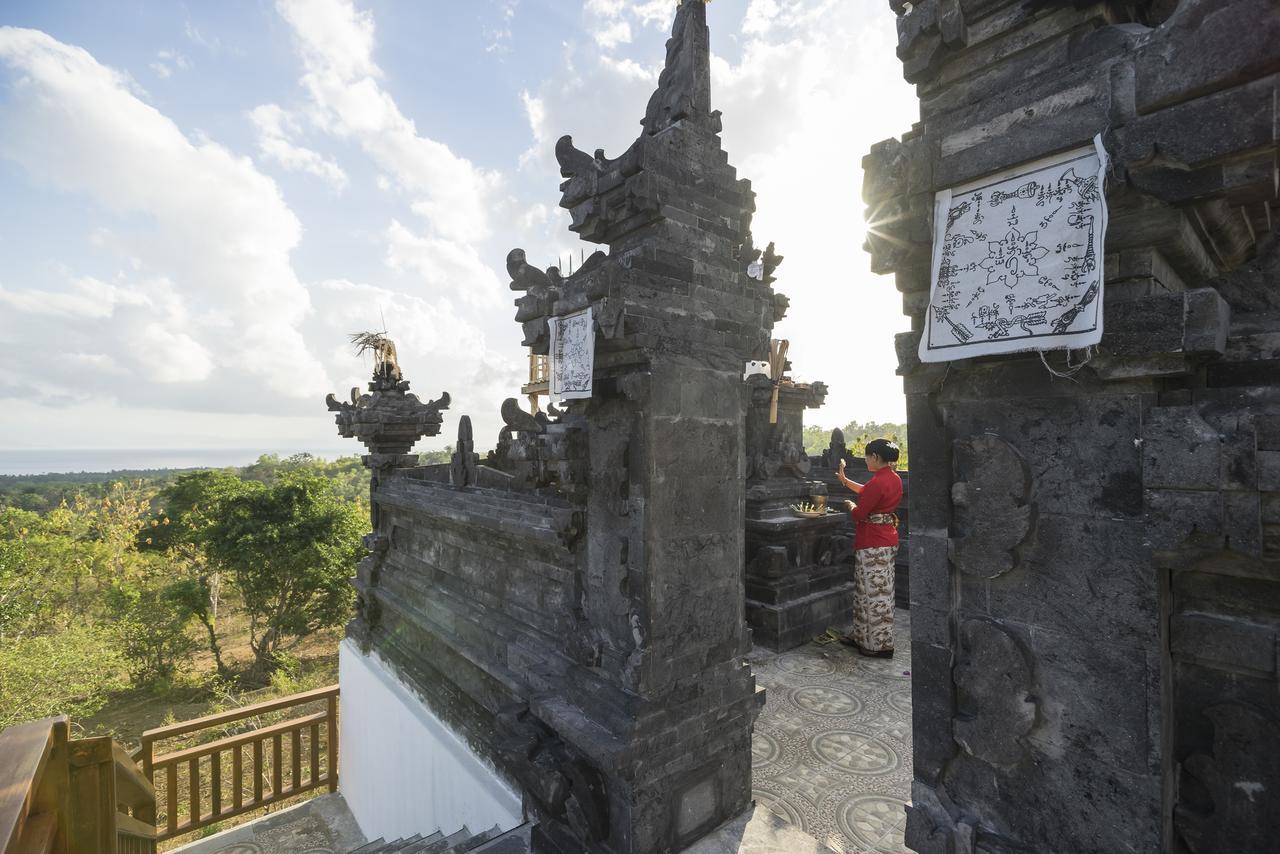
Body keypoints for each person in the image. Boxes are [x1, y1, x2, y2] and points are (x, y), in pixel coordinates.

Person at [835, 438, 903, 658]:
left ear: (875, 457)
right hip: (887, 540)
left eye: (867, 456)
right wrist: (845, 481)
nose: (865, 460)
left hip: (873, 542)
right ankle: (865, 637)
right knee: (880, 592)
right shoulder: (893, 479)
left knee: (871, 594)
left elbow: (859, 514)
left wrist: (851, 505)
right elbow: (867, 491)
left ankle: (876, 646)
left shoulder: (878, 482)